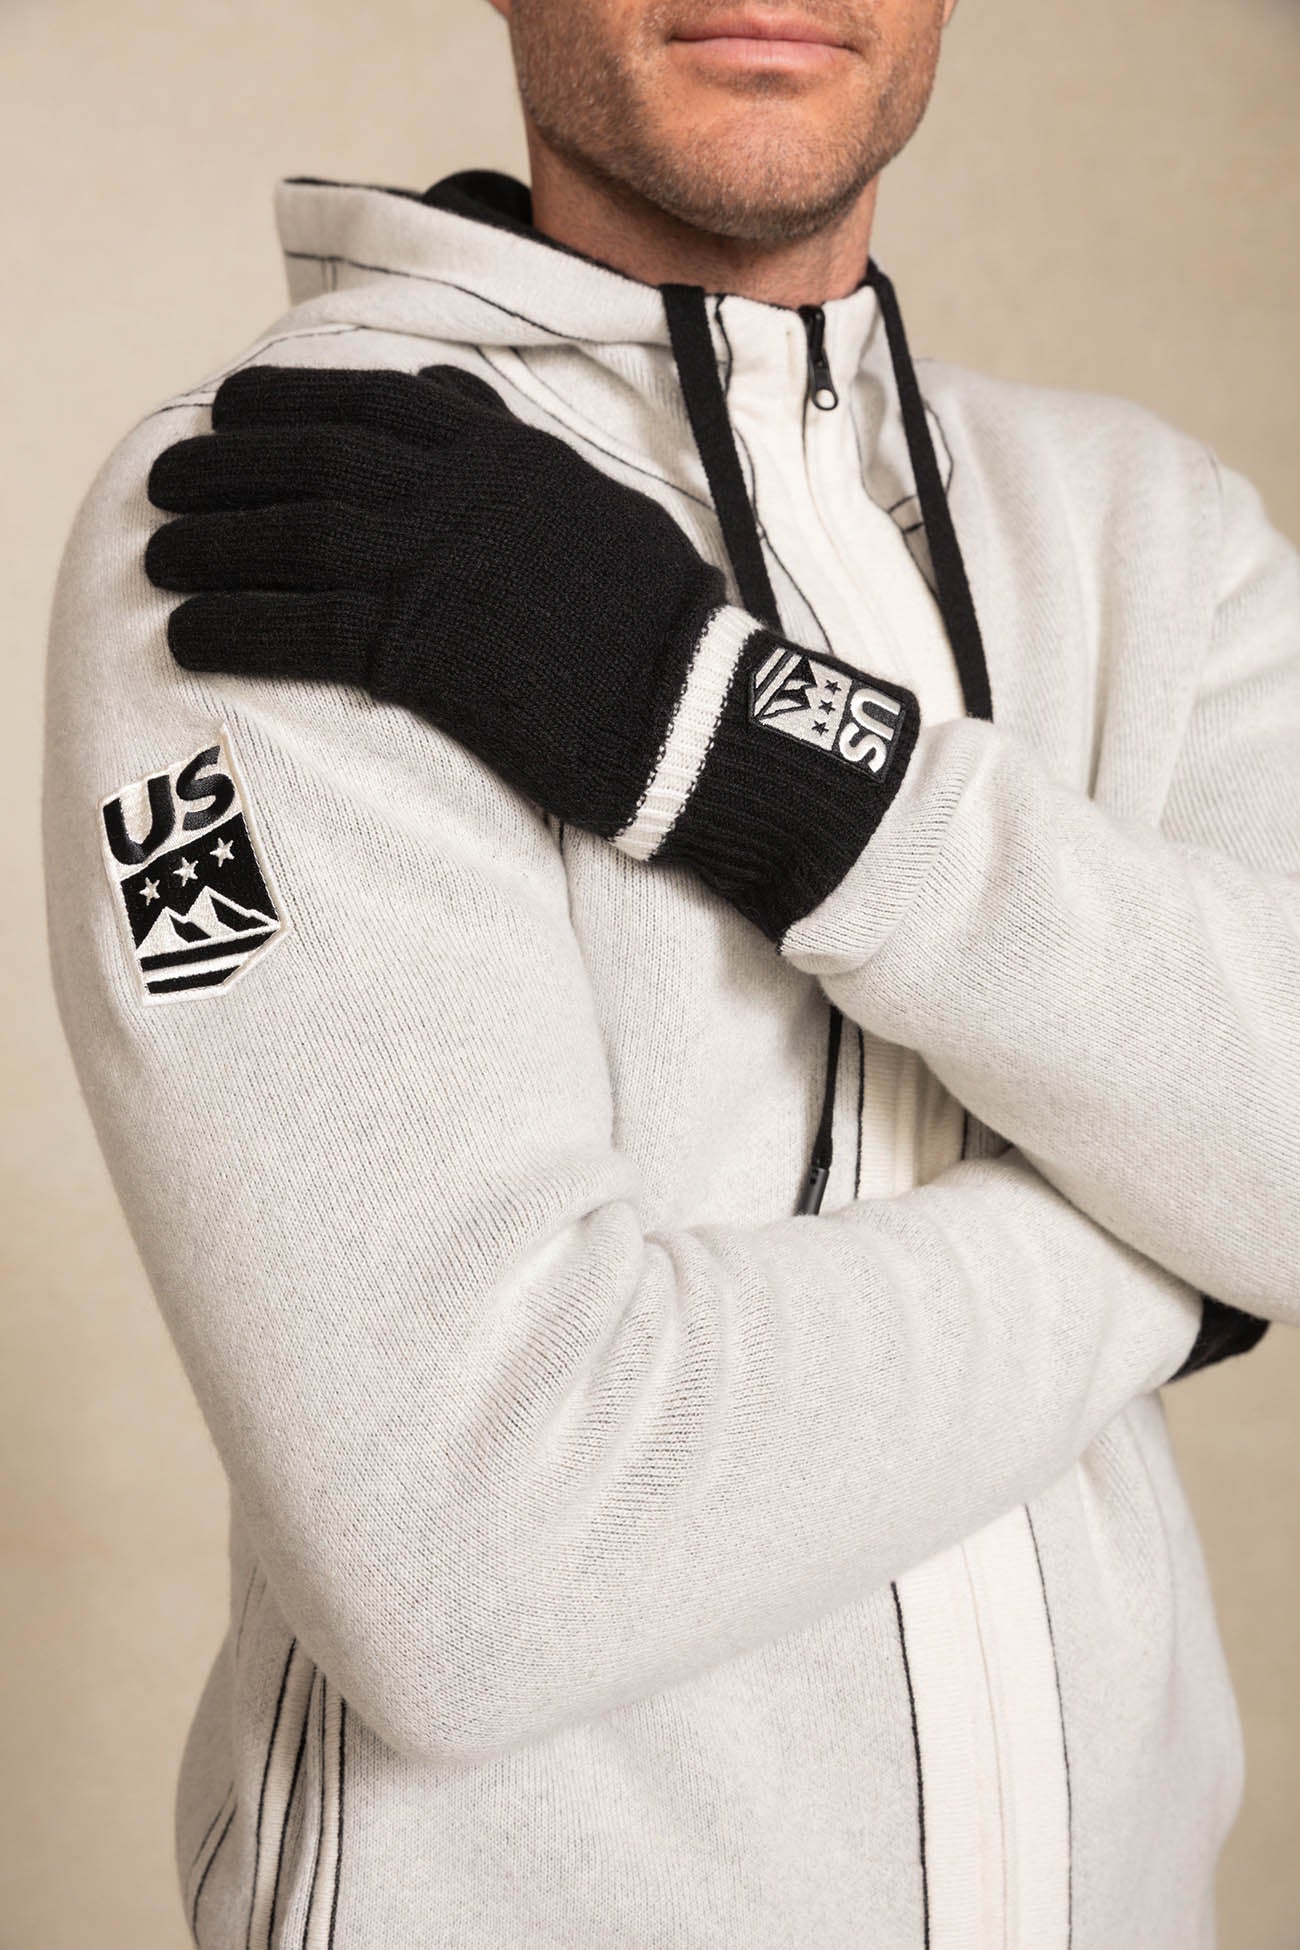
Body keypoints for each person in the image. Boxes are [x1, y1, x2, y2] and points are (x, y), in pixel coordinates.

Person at [41, 0, 1299, 1943]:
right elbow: (485, 1550)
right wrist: (1186, 1236)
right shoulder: (286, 511)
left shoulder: (1156, 533)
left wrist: (727, 734)